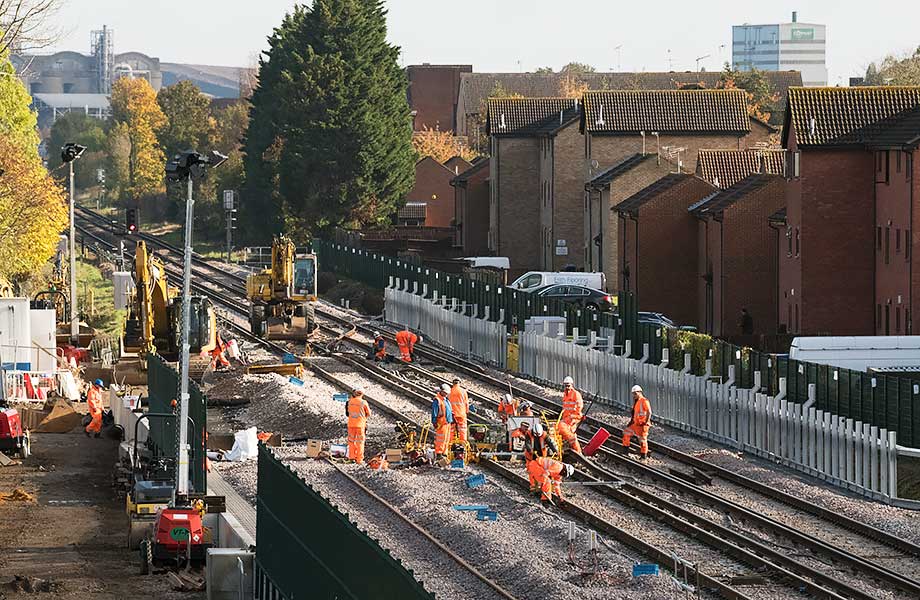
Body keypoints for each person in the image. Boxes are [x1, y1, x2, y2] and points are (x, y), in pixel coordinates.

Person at [622, 385, 652, 460]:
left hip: (642, 425)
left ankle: (643, 456)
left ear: (640, 392)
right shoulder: (637, 402)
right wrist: (631, 422)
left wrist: (646, 421)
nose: (634, 395)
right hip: (635, 424)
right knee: (626, 433)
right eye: (633, 393)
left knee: (642, 440)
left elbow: (649, 412)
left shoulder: (644, 401)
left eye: (635, 393)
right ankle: (625, 451)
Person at [557, 376, 584, 454]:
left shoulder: (576, 394)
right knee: (567, 433)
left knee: (567, 433)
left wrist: (574, 417)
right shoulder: (565, 394)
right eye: (565, 385)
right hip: (567, 417)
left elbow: (579, 407)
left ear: (572, 385)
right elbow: (565, 407)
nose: (567, 387)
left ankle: (578, 452)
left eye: (568, 385)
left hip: (574, 417)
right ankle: (571, 448)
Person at [346, 388, 371, 464]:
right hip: (360, 425)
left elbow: (347, 412)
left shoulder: (350, 401)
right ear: (362, 394)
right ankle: (359, 460)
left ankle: (351, 457)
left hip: (351, 425)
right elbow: (369, 413)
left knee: (351, 441)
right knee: (360, 442)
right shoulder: (363, 402)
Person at [431, 383, 454, 459]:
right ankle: (439, 454)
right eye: (446, 393)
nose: (447, 394)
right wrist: (434, 423)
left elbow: (448, 410)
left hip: (447, 423)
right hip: (441, 423)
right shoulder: (437, 400)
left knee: (447, 439)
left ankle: (444, 453)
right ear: (442, 391)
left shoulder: (446, 399)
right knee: (441, 439)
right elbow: (434, 413)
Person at [448, 378, 469, 443]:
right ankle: (463, 444)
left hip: (452, 414)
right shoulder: (463, 391)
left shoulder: (449, 391)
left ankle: (450, 444)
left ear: (453, 383)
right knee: (462, 429)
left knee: (451, 429)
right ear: (459, 383)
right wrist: (466, 412)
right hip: (461, 414)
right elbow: (466, 404)